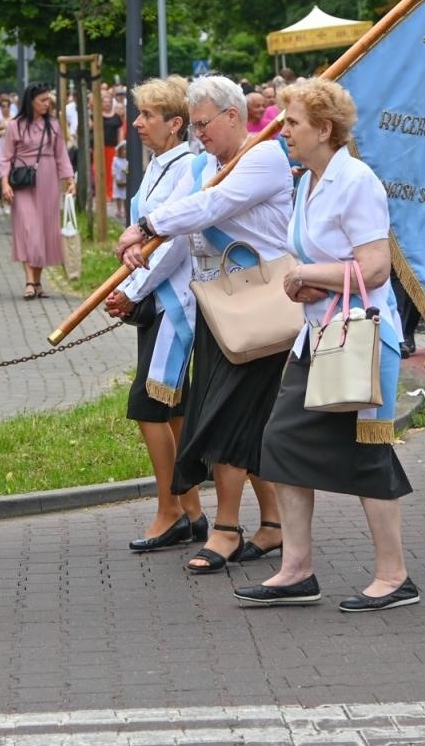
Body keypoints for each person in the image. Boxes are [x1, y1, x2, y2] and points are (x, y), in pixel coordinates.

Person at [233, 78, 417, 611]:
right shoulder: (307, 181)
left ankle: (394, 575)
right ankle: (296, 570)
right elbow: (328, 260)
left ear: (324, 129)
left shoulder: (356, 180)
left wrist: (312, 274)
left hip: (361, 336)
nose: (281, 129)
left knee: (369, 452)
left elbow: (376, 267)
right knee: (282, 442)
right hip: (317, 334)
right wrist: (312, 280)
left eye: (292, 122)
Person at [117, 75, 288, 573]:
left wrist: (146, 225)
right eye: (192, 127)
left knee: (224, 420)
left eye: (202, 124)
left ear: (232, 116)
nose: (198, 136)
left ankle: (226, 529)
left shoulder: (262, 157)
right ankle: (274, 524)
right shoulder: (213, 164)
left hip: (259, 308)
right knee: (245, 423)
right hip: (221, 308)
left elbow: (209, 208)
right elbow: (192, 228)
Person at [103, 77, 204, 551]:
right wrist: (128, 280)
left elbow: (172, 242)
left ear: (176, 123)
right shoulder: (159, 164)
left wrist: (133, 290)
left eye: (147, 116)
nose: (138, 124)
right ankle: (193, 510)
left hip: (173, 302)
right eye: (138, 114)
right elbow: (140, 230)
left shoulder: (187, 167)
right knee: (174, 409)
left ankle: (169, 509)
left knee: (148, 404)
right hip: (155, 299)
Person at [1, 81, 75, 299]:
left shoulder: (53, 124)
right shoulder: (15, 125)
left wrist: (69, 179)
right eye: (42, 100)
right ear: (30, 101)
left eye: (48, 99)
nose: (46, 103)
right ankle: (29, 280)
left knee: (44, 230)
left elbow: (61, 154)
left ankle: (38, 281)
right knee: (29, 229)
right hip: (23, 181)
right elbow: (5, 157)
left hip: (49, 180)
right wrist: (4, 183)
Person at [111, 140, 129, 224]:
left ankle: (125, 210)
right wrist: (115, 176)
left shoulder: (127, 161)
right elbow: (113, 169)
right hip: (118, 179)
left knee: (125, 196)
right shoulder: (116, 160)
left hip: (125, 180)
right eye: (123, 149)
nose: (125, 151)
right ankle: (119, 210)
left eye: (126, 149)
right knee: (118, 196)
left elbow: (128, 169)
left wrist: (126, 172)